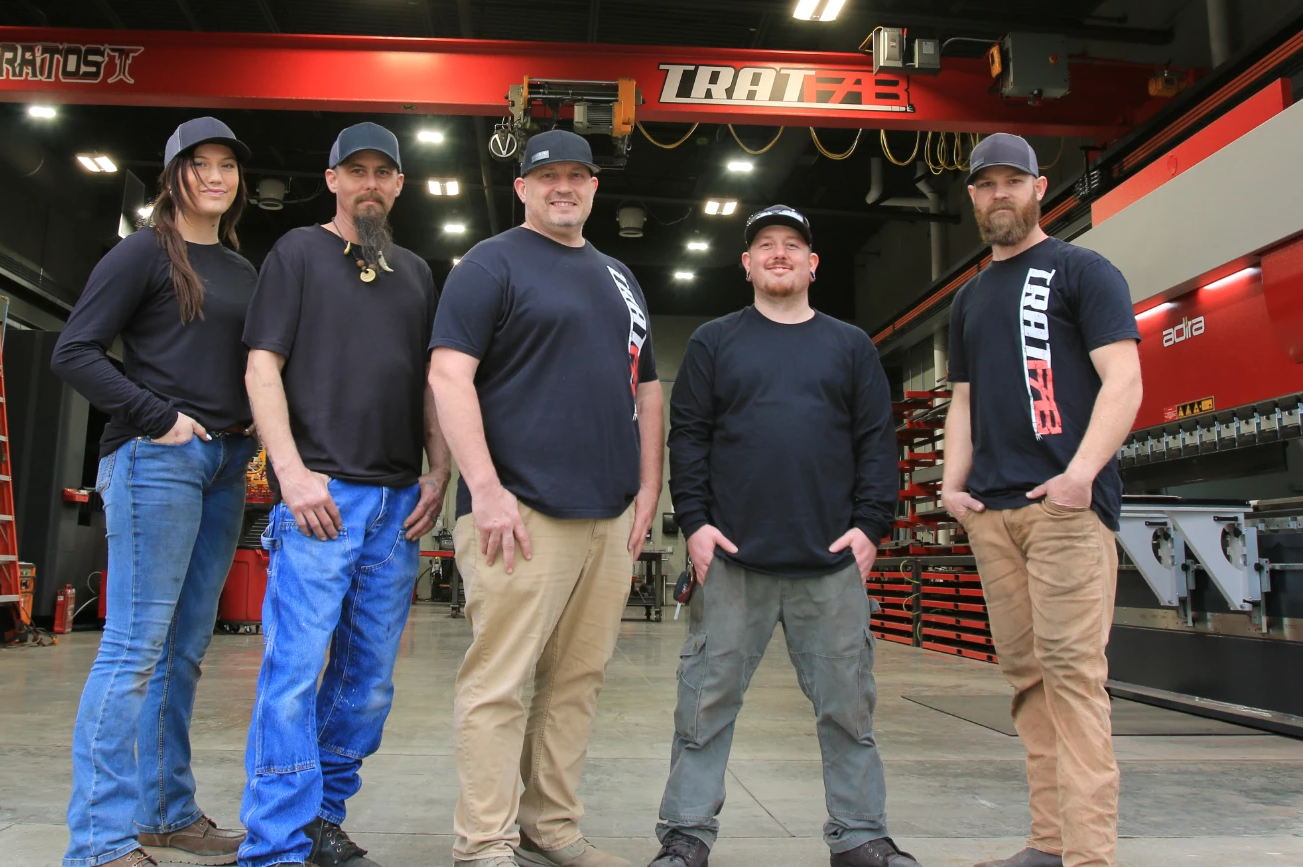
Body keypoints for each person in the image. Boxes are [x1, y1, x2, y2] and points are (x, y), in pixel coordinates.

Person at [648, 205, 918, 867]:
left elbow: (875, 444)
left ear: (811, 262)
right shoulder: (714, 342)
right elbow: (690, 439)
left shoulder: (850, 346)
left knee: (848, 707)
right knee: (704, 703)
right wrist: (697, 523)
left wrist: (871, 528)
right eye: (764, 245)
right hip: (733, 559)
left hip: (830, 561)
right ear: (745, 262)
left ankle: (860, 835)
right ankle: (686, 836)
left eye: (790, 245)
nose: (777, 254)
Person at [428, 129, 664, 867]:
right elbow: (446, 377)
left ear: (595, 187)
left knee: (576, 683)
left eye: (578, 176)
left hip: (608, 515)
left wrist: (649, 487)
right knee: (499, 685)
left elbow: (647, 387)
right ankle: (485, 841)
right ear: (523, 188)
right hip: (519, 515)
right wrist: (486, 489)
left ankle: (551, 825)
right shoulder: (489, 265)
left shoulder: (620, 276)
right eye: (548, 176)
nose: (564, 187)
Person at [237, 122, 450, 867]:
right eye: (353, 170)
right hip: (320, 497)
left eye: (381, 173)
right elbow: (262, 368)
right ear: (331, 179)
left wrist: (440, 469)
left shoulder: (417, 273)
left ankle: (321, 818)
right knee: (293, 675)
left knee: (366, 687)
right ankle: (272, 845)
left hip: (397, 505)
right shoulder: (297, 254)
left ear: (397, 187)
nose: (368, 183)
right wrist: (289, 474)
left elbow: (431, 382)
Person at [55, 117, 258, 867]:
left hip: (226, 463)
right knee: (133, 649)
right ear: (173, 174)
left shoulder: (240, 267)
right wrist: (159, 415)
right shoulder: (142, 253)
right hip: (156, 460)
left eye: (227, 165)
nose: (215, 175)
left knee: (183, 650)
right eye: (199, 164)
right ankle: (100, 842)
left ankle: (165, 812)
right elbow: (73, 351)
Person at [940, 134, 1143, 867]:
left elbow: (1124, 380)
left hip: (1064, 510)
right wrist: (951, 486)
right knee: (1027, 678)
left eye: (1012, 182)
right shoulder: (968, 298)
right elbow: (963, 400)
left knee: (1073, 676)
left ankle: (1089, 854)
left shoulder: (1082, 270)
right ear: (971, 196)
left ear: (1038, 187)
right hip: (993, 515)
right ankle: (1049, 841)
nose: (999, 194)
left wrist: (1081, 474)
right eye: (986, 183)